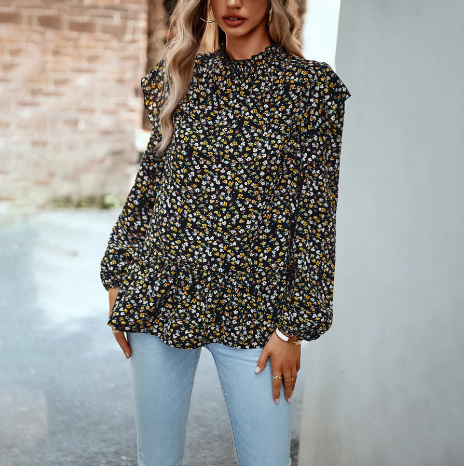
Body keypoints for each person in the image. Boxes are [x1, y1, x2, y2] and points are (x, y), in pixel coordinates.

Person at [100, 0, 351, 465]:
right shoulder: (181, 77)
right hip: (161, 293)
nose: (234, 2)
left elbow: (316, 215)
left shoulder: (310, 88)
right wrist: (117, 273)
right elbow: (150, 186)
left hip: (255, 307)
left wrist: (292, 330)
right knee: (156, 459)